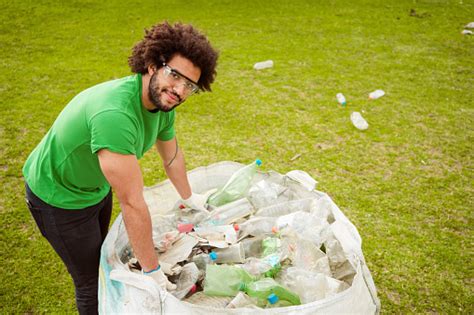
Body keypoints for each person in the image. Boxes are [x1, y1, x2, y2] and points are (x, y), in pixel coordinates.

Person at [23, 21, 218, 314]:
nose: (179, 90)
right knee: (90, 282)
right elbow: (132, 202)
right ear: (152, 64)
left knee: (104, 260)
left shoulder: (162, 104)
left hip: (95, 186)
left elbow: (172, 156)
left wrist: (190, 197)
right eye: (174, 75)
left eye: (189, 85)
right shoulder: (115, 114)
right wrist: (152, 271)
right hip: (57, 197)